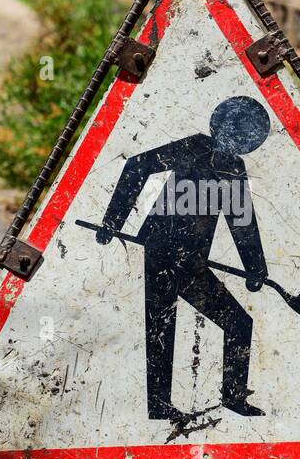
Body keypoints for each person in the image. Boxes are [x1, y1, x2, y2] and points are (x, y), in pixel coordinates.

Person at [93, 96, 272, 421]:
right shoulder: (194, 146)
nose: (238, 138)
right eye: (235, 130)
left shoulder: (233, 168)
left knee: (238, 323)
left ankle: (233, 397)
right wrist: (112, 222)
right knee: (161, 324)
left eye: (245, 134)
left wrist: (256, 268)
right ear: (220, 126)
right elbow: (137, 165)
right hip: (161, 253)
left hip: (193, 263)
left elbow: (241, 220)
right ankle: (158, 406)